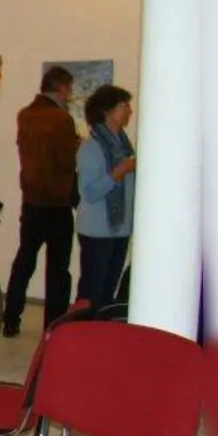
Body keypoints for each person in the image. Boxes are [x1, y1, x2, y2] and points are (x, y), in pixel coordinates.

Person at [1, 66, 80, 337]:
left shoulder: (25, 115)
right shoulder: (62, 120)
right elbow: (67, 160)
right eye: (69, 89)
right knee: (58, 269)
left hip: (31, 200)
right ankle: (53, 327)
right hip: (57, 203)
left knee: (25, 260)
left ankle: (11, 318)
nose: (69, 95)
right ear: (60, 88)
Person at [75, 84, 136, 310]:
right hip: (97, 232)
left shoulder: (123, 145)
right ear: (107, 111)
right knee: (91, 293)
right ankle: (80, 337)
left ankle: (100, 337)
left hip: (120, 230)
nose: (129, 110)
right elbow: (90, 192)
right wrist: (119, 172)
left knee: (108, 292)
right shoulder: (90, 148)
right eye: (124, 106)